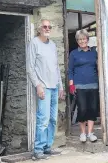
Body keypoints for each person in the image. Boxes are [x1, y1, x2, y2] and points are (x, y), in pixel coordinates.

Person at [27, 19, 65, 160]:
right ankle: (38, 150)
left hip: (54, 87)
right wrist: (38, 85)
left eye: (49, 26)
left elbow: (56, 68)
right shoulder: (34, 43)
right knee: (43, 119)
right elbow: (30, 68)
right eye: (44, 26)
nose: (47, 28)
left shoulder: (53, 45)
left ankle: (47, 147)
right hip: (43, 87)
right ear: (39, 29)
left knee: (53, 120)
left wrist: (60, 86)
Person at [68, 29, 99, 143]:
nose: (82, 41)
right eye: (80, 39)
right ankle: (82, 133)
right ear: (77, 41)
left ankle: (90, 133)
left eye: (84, 39)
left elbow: (98, 67)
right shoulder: (74, 54)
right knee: (82, 109)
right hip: (79, 85)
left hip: (93, 84)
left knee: (92, 109)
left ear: (87, 39)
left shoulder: (93, 53)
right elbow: (70, 70)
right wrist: (71, 85)